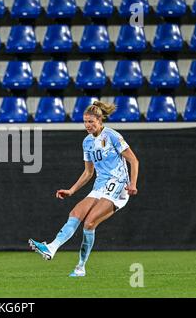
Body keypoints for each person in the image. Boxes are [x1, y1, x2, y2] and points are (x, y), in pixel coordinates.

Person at [29, 101, 139, 277]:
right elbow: (88, 172)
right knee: (75, 213)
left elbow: (134, 160)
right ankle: (51, 248)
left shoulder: (112, 135)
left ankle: (81, 266)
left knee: (89, 223)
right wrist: (72, 190)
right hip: (100, 185)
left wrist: (132, 184)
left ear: (100, 120)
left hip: (119, 185)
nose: (88, 125)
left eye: (91, 122)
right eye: (85, 122)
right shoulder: (87, 142)